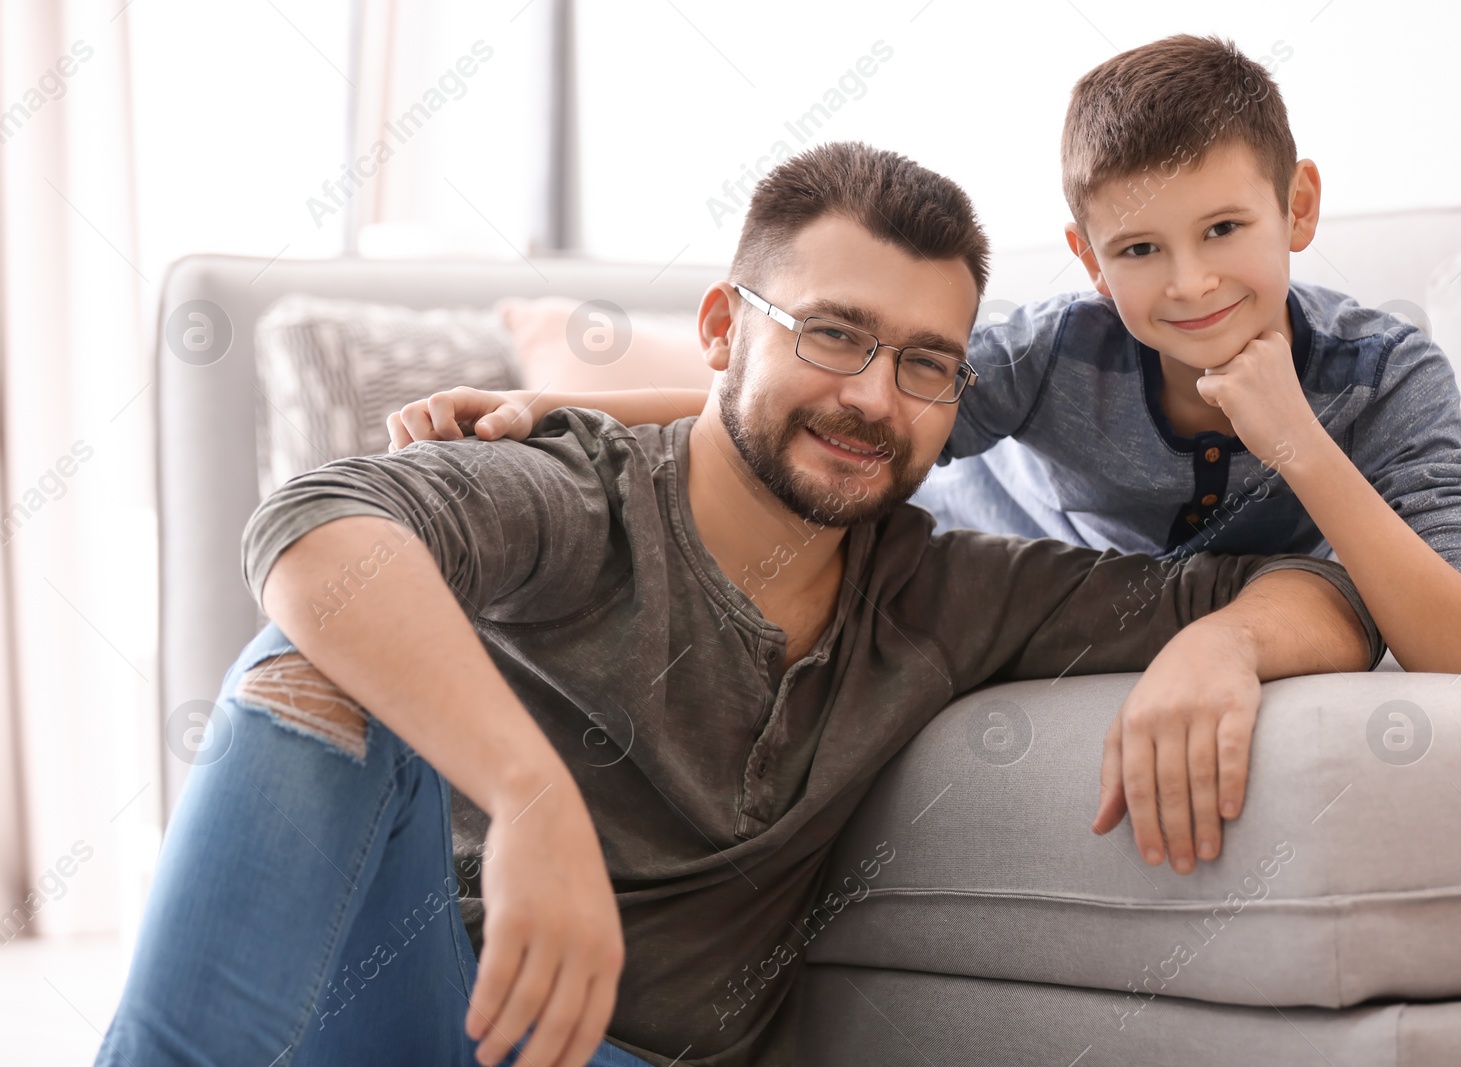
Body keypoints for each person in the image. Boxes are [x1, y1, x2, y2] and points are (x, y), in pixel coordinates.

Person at [103, 142, 1381, 1067]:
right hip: (414, 1005)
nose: (874, 398)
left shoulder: (951, 588)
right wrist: (529, 794)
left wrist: (1220, 644)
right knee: (315, 664)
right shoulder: (581, 493)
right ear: (722, 328)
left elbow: (1327, 593)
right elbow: (317, 525)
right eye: (832, 334)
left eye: (925, 363)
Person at [404, 35, 1461, 681]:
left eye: (1224, 229)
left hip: (1195, 593)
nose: (1188, 284)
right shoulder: (1053, 349)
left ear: (1297, 207)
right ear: (1085, 258)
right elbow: (837, 407)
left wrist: (1299, 444)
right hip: (986, 565)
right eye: (1139, 248)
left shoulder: (1386, 372)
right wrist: (548, 403)